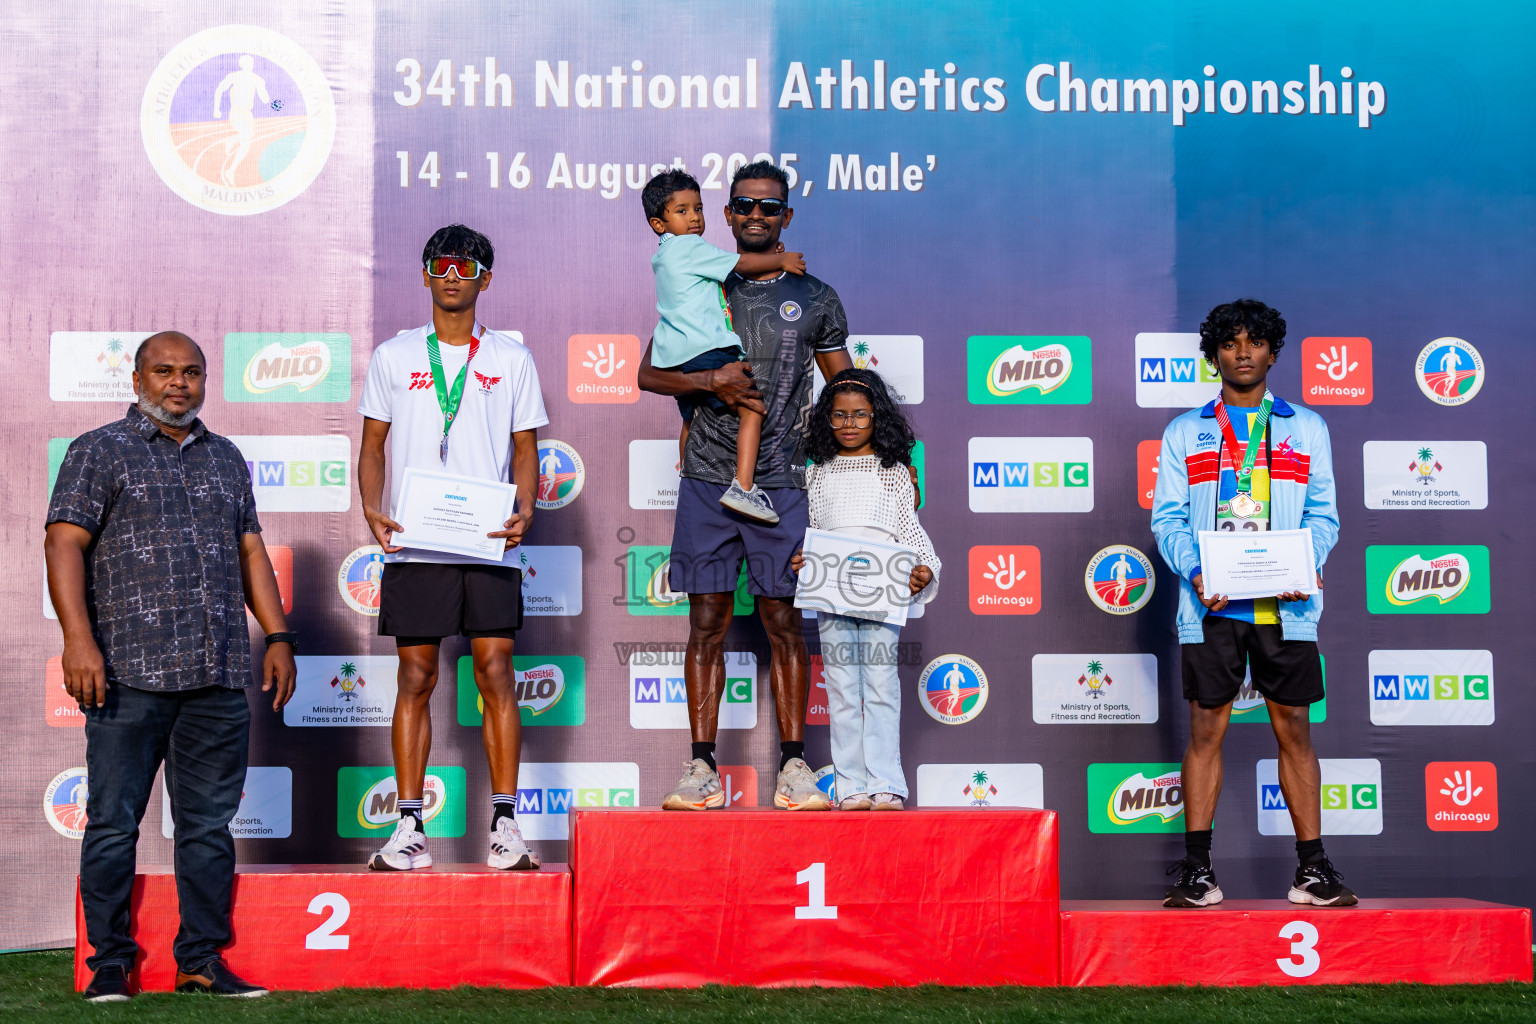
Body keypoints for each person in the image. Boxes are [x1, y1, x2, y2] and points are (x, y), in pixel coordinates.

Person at [45, 332, 297, 1001]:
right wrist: (78, 640)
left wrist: (277, 634)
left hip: (216, 676)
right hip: (126, 673)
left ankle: (201, 963)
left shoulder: (227, 458)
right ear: (137, 379)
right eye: (164, 371)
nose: (178, 383)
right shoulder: (97, 450)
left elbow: (250, 551)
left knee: (209, 828)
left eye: (191, 372)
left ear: (206, 381)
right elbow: (64, 543)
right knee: (111, 823)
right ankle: (109, 965)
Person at [638, 160, 852, 811]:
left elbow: (847, 388)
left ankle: (793, 768)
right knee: (705, 622)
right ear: (728, 215)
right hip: (707, 477)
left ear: (785, 216)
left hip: (782, 481)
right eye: (744, 206)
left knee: (784, 621)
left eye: (769, 207)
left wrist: (885, 462)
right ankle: (700, 769)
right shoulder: (699, 277)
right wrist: (709, 384)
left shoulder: (816, 296)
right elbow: (649, 372)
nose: (756, 215)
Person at [1150, 299, 1354, 908]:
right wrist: (1196, 570)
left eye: (1255, 342)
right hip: (1210, 605)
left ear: (1272, 351)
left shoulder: (1306, 427)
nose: (1243, 352)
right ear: (1214, 353)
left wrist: (1304, 565)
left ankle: (1312, 870)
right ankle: (1197, 871)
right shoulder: (1186, 431)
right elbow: (1168, 520)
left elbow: (1324, 515)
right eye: (1231, 343)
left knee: (1294, 727)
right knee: (1206, 728)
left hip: (1285, 606)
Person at [358, 224, 547, 871]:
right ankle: (409, 827)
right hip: (418, 540)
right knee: (416, 676)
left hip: (488, 538)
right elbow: (373, 444)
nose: (452, 275)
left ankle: (504, 824)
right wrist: (371, 507)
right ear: (426, 274)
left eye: (466, 267)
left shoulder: (512, 360)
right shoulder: (394, 354)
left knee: (496, 670)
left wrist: (524, 510)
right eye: (440, 264)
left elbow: (527, 450)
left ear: (484, 280)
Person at [789, 369, 938, 810]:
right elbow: (813, 533)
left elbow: (911, 531)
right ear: (825, 420)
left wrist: (924, 569)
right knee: (839, 686)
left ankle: (886, 782)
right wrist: (803, 560)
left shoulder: (894, 473)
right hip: (832, 596)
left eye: (860, 415)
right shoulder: (816, 475)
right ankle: (851, 784)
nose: (849, 424)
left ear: (879, 418)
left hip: (884, 593)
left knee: (879, 685)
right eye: (839, 416)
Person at [642, 168, 806, 523]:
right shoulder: (690, 247)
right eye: (682, 211)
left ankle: (687, 470)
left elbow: (731, 268)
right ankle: (743, 488)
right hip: (708, 348)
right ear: (658, 223)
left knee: (690, 419)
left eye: (697, 208)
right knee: (752, 409)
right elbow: (741, 264)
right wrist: (780, 259)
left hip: (678, 354)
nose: (694, 218)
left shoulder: (666, 254)